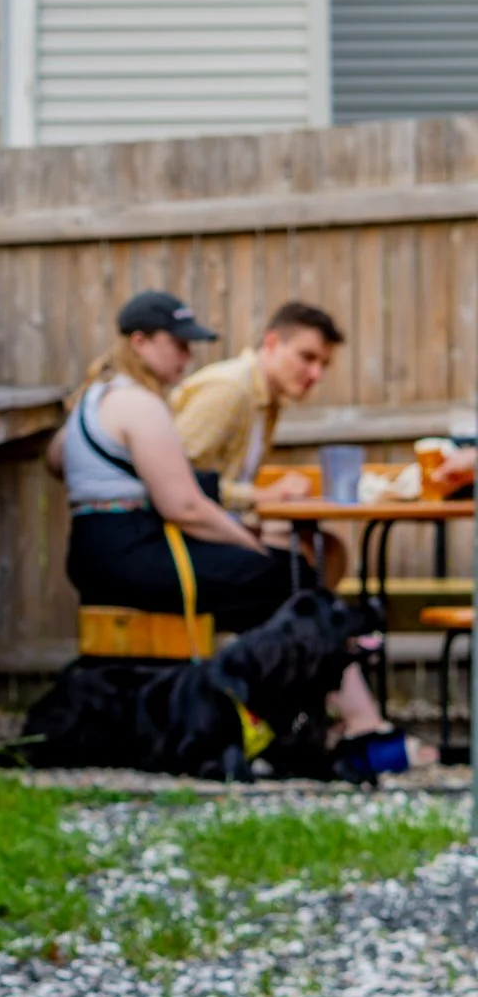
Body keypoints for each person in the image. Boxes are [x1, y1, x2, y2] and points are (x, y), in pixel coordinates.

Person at [46, 290, 431, 773]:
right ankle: (347, 724)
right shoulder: (141, 404)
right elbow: (184, 502)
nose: (189, 357)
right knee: (285, 580)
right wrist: (247, 540)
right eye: (178, 345)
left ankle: (310, 718)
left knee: (291, 570)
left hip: (98, 548)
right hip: (134, 554)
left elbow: (57, 458)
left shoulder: (94, 397)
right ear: (140, 342)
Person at [169, 301, 348, 585]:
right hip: (179, 540)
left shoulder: (267, 401)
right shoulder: (229, 390)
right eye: (307, 357)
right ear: (272, 342)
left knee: (326, 548)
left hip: (222, 527)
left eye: (323, 364)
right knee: (297, 569)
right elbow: (178, 484)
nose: (317, 375)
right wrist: (262, 496)